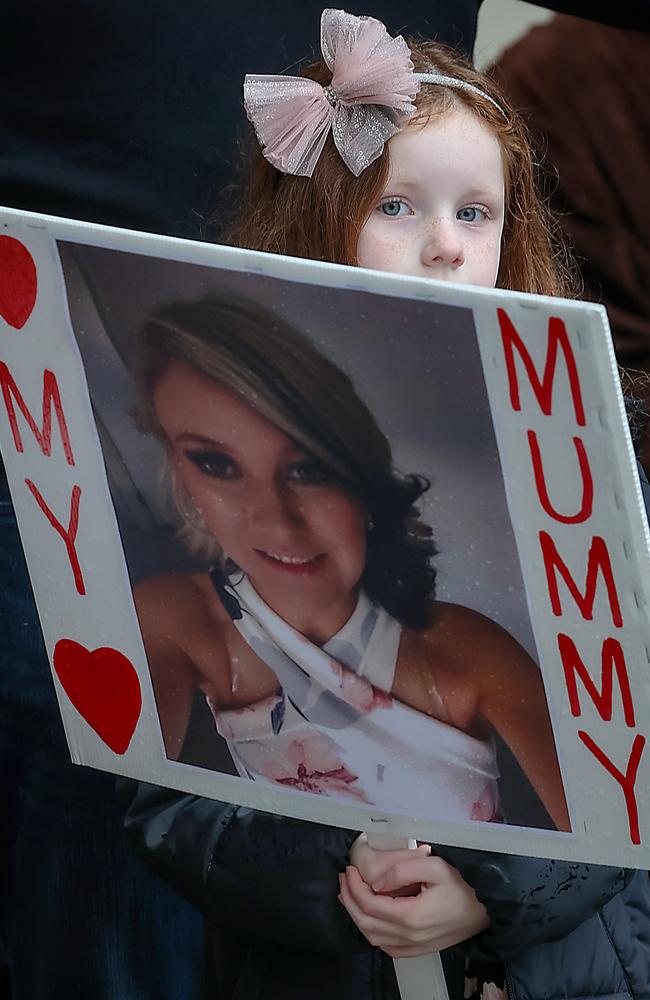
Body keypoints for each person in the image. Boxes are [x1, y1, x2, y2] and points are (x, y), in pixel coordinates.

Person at [121, 11, 650, 1000]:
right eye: (399, 208)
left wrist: (487, 891)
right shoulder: (184, 606)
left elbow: (629, 776)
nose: (446, 247)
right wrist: (337, 883)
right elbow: (158, 803)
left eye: (474, 213)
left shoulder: (598, 459)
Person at [132, 293, 568, 831]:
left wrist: (481, 898)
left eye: (308, 469)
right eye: (216, 463)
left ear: (363, 478)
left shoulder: (467, 654)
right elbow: (116, 817)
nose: (276, 520)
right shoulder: (177, 620)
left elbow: (622, 849)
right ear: (180, 471)